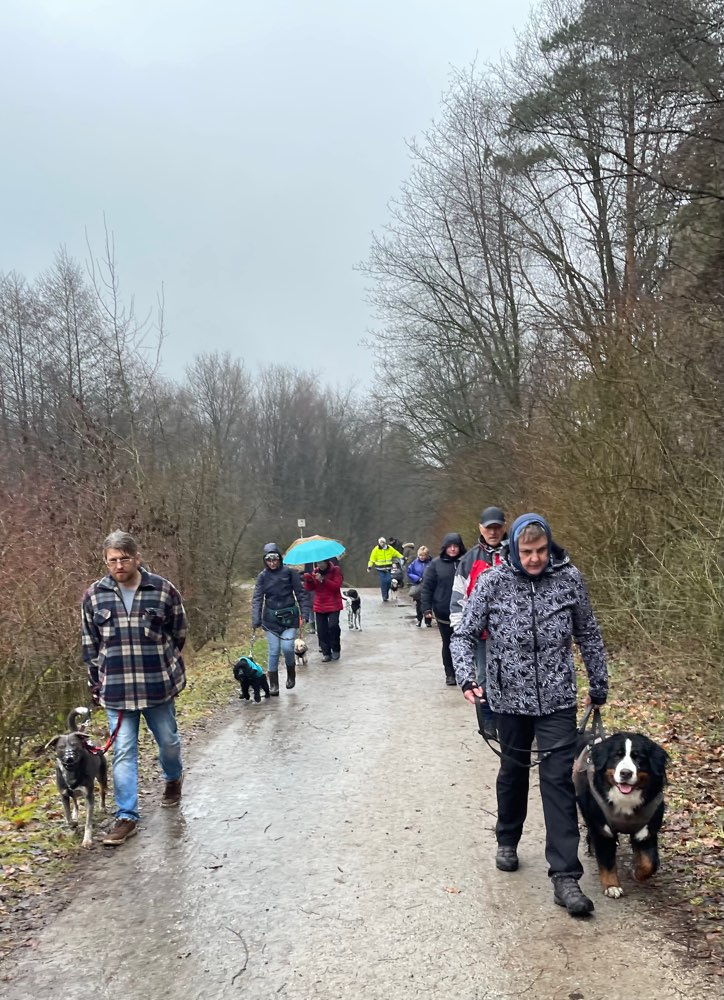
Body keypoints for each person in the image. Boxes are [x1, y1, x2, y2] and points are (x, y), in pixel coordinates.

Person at [450, 513, 608, 917]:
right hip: (508, 698)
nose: (535, 558)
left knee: (557, 781)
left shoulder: (569, 579)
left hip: (557, 698)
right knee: (513, 771)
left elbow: (588, 632)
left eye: (540, 550)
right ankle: (507, 838)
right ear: (514, 550)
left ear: (549, 546)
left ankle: (566, 876)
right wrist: (467, 677)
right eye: (527, 552)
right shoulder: (492, 581)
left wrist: (598, 683)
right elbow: (464, 634)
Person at [81, 530, 187, 847]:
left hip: (157, 686)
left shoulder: (163, 590)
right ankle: (126, 816)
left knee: (168, 742)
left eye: (124, 558)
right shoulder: (94, 596)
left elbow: (179, 632)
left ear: (137, 558)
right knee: (123, 752)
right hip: (116, 690)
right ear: (106, 561)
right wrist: (96, 682)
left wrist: (165, 663)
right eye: (112, 560)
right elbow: (90, 644)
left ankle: (173, 778)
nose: (118, 565)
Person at [450, 506, 509, 739]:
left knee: (512, 678)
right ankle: (488, 723)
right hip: (482, 635)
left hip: (512, 632)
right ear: (480, 529)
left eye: (497, 527)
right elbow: (458, 598)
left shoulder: (516, 554)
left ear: (504, 528)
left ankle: (512, 723)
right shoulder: (469, 560)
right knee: (484, 678)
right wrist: (459, 631)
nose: (493, 532)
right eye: (488, 528)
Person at [251, 542, 309, 693]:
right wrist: (256, 618)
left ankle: (291, 675)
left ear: (279, 558)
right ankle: (274, 685)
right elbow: (257, 598)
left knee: (288, 648)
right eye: (269, 560)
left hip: (289, 617)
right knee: (274, 650)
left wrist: (305, 612)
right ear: (265, 560)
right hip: (270, 619)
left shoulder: (290, 573)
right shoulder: (262, 577)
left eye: (275, 559)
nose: (272, 563)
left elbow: (301, 593)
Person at [420, 532, 466, 686]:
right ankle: (450, 673)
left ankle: (466, 674)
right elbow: (427, 587)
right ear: (445, 547)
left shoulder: (467, 562)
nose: (453, 549)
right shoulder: (435, 564)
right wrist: (426, 608)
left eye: (456, 546)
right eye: (450, 546)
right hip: (443, 611)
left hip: (465, 611)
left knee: (465, 644)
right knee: (448, 643)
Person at [303, 559, 344, 661]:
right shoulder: (315, 572)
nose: (320, 565)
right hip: (320, 604)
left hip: (333, 604)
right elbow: (310, 588)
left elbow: (336, 586)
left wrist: (323, 580)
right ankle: (326, 653)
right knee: (321, 630)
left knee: (333, 626)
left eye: (322, 563)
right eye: (318, 563)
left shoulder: (336, 570)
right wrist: (309, 580)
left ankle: (336, 649)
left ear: (326, 562)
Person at [367, 536, 403, 601]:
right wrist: (369, 566)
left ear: (385, 542)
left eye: (383, 542)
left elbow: (396, 553)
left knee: (389, 581)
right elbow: (372, 559)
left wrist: (402, 557)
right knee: (383, 582)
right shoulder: (376, 550)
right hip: (380, 569)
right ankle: (384, 596)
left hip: (388, 568)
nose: (382, 543)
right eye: (381, 542)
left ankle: (386, 593)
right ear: (379, 543)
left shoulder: (389, 548)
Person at [406, 545, 433, 626]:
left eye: (423, 555)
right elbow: (409, 572)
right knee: (419, 604)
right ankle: (419, 619)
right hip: (418, 585)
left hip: (429, 585)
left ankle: (428, 621)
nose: (422, 557)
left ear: (427, 555)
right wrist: (417, 578)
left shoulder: (432, 563)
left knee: (428, 603)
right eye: (420, 555)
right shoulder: (414, 563)